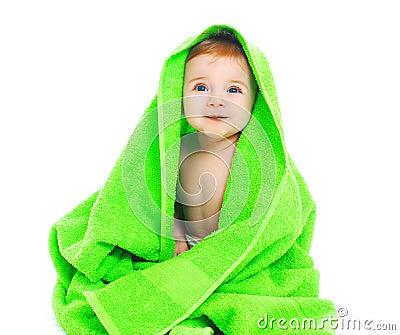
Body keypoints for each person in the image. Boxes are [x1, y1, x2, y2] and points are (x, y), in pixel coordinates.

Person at [173, 30, 258, 257]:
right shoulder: (178, 148)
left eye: (233, 90)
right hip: (187, 250)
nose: (216, 101)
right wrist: (178, 235)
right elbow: (167, 200)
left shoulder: (254, 157)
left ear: (255, 101)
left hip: (236, 256)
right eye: (201, 88)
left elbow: (277, 215)